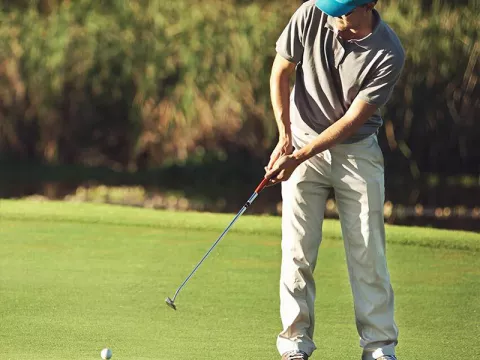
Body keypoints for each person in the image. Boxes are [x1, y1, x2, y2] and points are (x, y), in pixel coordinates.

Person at [264, 0, 405, 359]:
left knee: (367, 251)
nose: (333, 19)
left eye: (342, 12)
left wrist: (299, 156)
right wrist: (285, 138)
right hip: (300, 139)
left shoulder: (388, 52)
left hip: (356, 152)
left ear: (368, 5)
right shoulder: (313, 12)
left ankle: (378, 347)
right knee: (296, 248)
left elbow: (350, 123)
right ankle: (295, 344)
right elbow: (281, 71)